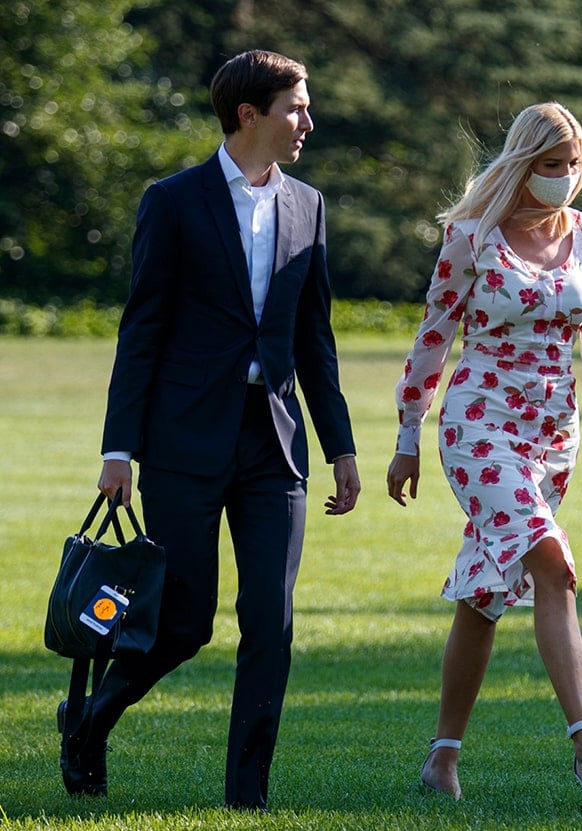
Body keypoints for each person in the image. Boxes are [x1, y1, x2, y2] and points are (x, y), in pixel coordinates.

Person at [58, 49, 361, 812]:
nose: (308, 122)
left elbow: (313, 340)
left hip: (275, 447)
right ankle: (89, 719)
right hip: (183, 444)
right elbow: (142, 330)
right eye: (296, 107)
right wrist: (117, 447)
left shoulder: (310, 207)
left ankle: (247, 796)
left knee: (271, 619)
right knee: (184, 622)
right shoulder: (173, 201)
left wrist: (342, 447)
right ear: (248, 114)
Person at [387, 102, 582, 813]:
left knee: (484, 594)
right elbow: (433, 337)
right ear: (521, 163)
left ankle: (441, 756)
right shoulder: (471, 235)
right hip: (479, 424)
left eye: (574, 164)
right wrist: (407, 434)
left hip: (552, 435)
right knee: (553, 564)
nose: (565, 178)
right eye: (550, 165)